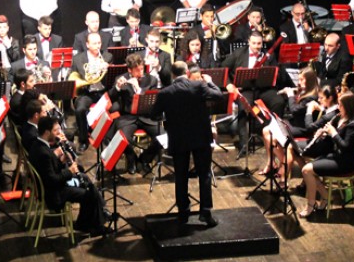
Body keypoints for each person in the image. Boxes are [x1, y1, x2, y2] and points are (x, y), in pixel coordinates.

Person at [151, 61, 223, 226]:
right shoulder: (199, 86)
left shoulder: (165, 92)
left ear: (172, 75)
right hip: (200, 136)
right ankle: (205, 213)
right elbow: (219, 95)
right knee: (204, 174)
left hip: (179, 138)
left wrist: (169, 117)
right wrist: (210, 82)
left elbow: (154, 115)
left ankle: (183, 213)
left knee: (181, 176)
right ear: (187, 72)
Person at [29, 117, 110, 237]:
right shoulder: (43, 153)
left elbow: (49, 170)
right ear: (46, 132)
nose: (58, 133)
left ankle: (88, 220)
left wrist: (60, 161)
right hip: (55, 194)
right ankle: (95, 226)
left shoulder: (38, 144)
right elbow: (52, 180)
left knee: (87, 183)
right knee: (89, 194)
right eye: (55, 130)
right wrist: (70, 171)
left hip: (53, 188)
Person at [299, 92, 354, 218]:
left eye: (340, 105)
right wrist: (324, 134)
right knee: (308, 169)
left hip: (345, 162)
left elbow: (345, 147)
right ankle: (325, 196)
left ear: (348, 107)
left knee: (307, 170)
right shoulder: (341, 119)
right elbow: (336, 140)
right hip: (336, 157)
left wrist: (333, 132)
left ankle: (311, 205)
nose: (338, 107)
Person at [222, 31, 285, 151]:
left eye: (259, 43)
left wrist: (273, 70)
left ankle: (272, 136)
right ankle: (244, 144)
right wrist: (229, 84)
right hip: (245, 89)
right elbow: (223, 68)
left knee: (278, 102)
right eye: (254, 43)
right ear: (249, 42)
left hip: (264, 89)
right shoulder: (239, 53)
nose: (256, 46)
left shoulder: (268, 55)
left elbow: (277, 75)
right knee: (243, 107)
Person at [108, 54, 161, 174]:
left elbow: (153, 101)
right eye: (137, 70)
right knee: (122, 138)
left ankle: (144, 159)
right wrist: (117, 87)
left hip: (146, 116)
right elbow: (110, 97)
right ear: (129, 70)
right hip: (127, 117)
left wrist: (138, 89)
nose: (141, 72)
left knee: (163, 137)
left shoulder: (151, 80)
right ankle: (131, 158)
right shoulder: (120, 78)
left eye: (142, 69)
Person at [69, 32, 113, 152]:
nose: (98, 46)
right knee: (80, 110)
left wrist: (106, 67)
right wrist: (95, 69)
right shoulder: (78, 59)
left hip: (102, 92)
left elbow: (111, 77)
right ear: (87, 44)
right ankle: (83, 140)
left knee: (115, 107)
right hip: (86, 92)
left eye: (99, 43)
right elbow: (73, 76)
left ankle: (107, 136)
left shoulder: (107, 57)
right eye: (94, 43)